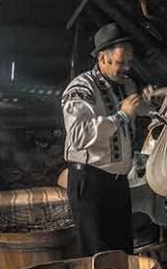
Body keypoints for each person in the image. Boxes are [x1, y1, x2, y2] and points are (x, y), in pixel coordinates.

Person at [62, 22, 147, 256]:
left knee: (123, 252)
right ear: (102, 59)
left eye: (130, 62)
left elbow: (139, 111)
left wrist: (154, 103)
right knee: (96, 256)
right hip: (90, 182)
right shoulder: (81, 88)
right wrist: (121, 116)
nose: (127, 68)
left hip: (118, 183)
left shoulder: (126, 85)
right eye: (121, 63)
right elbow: (79, 135)